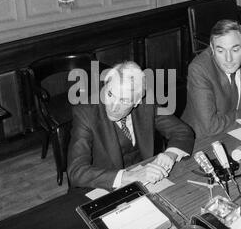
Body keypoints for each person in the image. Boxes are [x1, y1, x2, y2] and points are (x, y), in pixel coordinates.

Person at [67, 61, 194, 190]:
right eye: (110, 94)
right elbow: (76, 172)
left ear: (137, 102)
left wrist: (170, 155)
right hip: (102, 186)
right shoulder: (85, 113)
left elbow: (182, 131)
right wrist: (129, 177)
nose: (113, 106)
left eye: (124, 100)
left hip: (145, 182)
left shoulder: (146, 103)